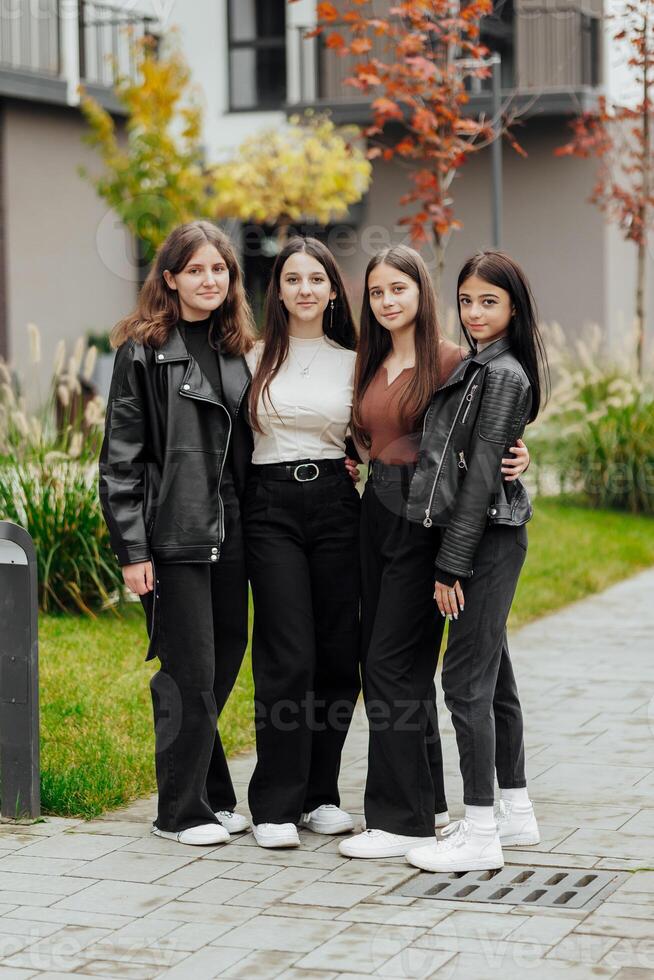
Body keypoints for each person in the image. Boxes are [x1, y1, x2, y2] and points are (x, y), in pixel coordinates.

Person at [339, 245, 532, 860]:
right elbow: (370, 433)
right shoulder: (370, 360)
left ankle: (401, 819)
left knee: (395, 663)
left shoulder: (455, 362)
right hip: (376, 510)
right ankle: (429, 806)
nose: (387, 300)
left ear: (422, 292)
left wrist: (520, 461)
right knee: (396, 662)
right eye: (376, 292)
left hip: (425, 518)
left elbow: (485, 446)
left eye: (399, 288)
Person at [99, 221, 255, 846]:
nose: (209, 280)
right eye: (195, 270)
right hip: (175, 530)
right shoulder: (141, 350)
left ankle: (213, 796)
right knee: (189, 670)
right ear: (169, 278)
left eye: (218, 269)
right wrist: (133, 549)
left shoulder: (240, 347)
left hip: (235, 528)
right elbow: (121, 458)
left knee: (225, 657)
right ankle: (179, 811)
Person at [402, 250, 549, 872]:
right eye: (466, 300)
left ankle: (481, 831)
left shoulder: (503, 373)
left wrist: (449, 566)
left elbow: (483, 475)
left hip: (484, 540)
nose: (475, 312)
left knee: (463, 682)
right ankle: (514, 813)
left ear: (513, 307)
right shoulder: (484, 367)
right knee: (496, 677)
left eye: (489, 301)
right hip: (489, 535)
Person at [244, 236, 363, 849]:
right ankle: (274, 805)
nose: (306, 289)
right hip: (270, 509)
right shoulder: (252, 355)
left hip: (338, 508)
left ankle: (321, 795)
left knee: (339, 656)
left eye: (317, 278)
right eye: (293, 279)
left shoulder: (354, 360)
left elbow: (381, 436)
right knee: (289, 654)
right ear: (279, 290)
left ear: (332, 289)